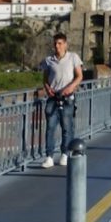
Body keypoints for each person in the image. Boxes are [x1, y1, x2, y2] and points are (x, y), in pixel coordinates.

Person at [41, 33, 83, 168]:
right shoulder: (49, 60)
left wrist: (70, 87)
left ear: (65, 44)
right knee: (50, 127)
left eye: (59, 43)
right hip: (53, 97)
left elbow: (79, 76)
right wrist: (47, 88)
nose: (57, 46)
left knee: (67, 127)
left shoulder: (73, 57)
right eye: (55, 43)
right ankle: (49, 157)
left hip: (67, 97)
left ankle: (65, 153)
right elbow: (45, 79)